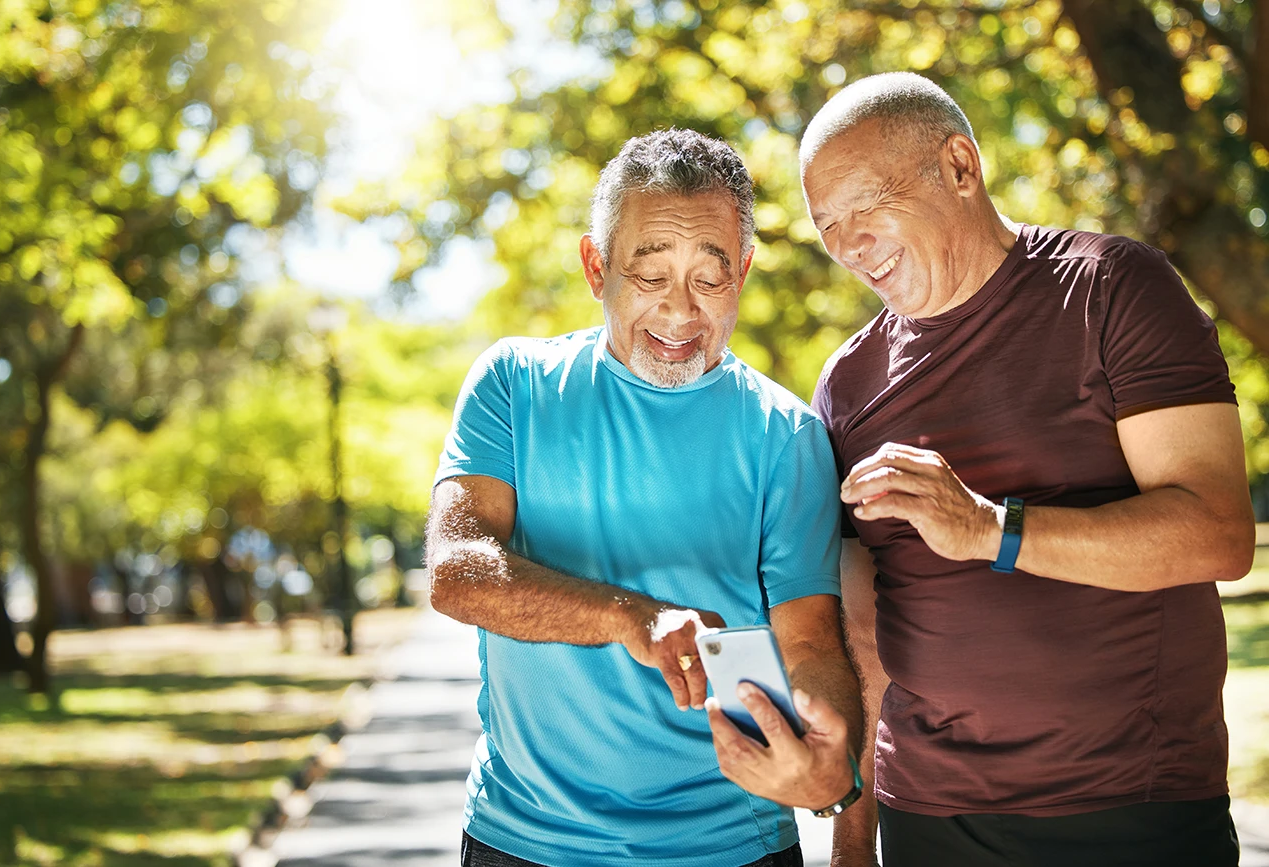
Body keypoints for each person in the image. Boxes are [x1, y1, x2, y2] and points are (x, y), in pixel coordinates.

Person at [708, 72, 1254, 867]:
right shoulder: (848, 384)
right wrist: (853, 838)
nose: (850, 244)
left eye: (866, 204)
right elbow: (860, 628)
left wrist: (989, 528)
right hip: (928, 817)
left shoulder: (1111, 287)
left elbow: (1217, 531)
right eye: (828, 225)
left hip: (1132, 805)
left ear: (960, 166)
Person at [425, 128, 864, 867]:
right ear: (597, 268)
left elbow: (813, 643)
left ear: (745, 273)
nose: (680, 312)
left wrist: (827, 760)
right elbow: (458, 570)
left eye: (709, 277)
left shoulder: (788, 436)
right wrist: (632, 616)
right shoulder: (513, 385)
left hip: (734, 847)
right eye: (651, 273)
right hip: (524, 843)